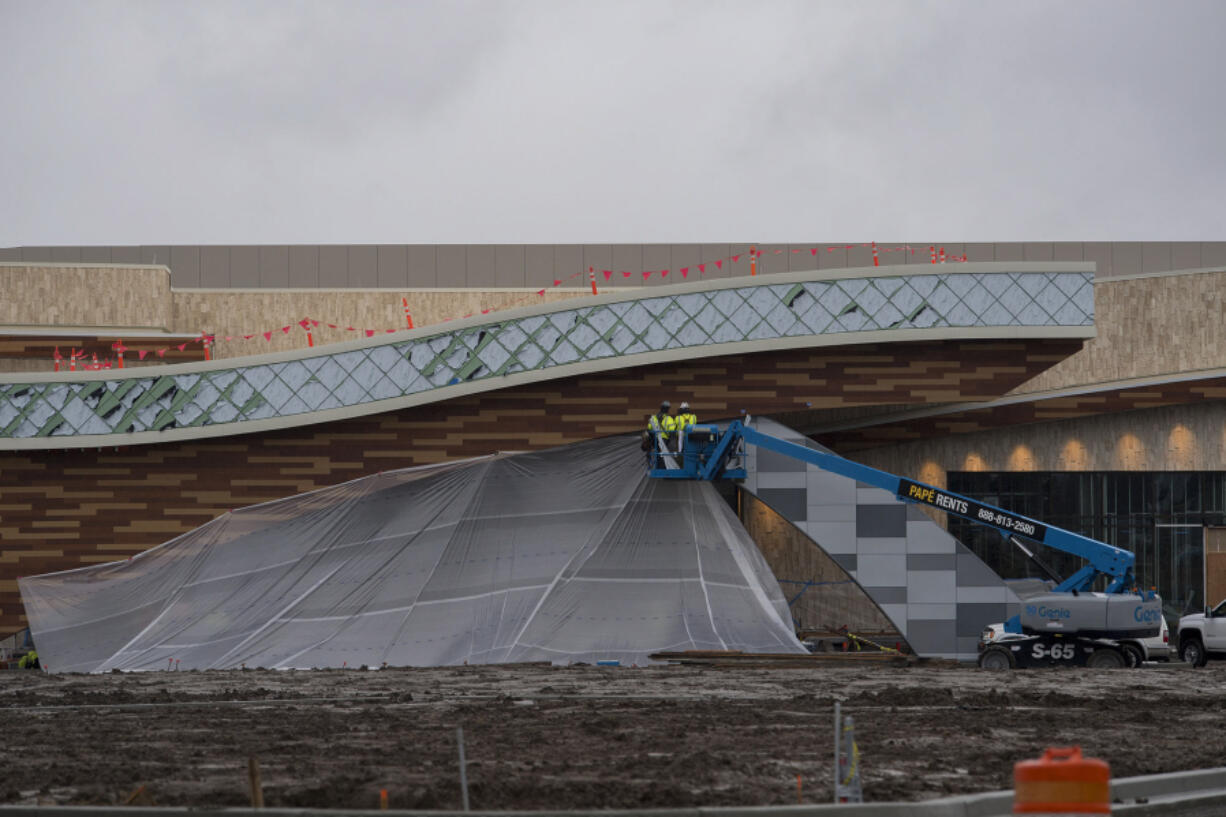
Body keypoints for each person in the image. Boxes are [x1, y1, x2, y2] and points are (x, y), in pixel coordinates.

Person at [646, 401, 676, 465]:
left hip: (655, 440)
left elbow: (649, 428)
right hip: (664, 440)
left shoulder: (653, 418)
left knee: (658, 453)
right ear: (668, 409)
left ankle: (654, 463)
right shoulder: (669, 419)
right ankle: (663, 465)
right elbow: (672, 430)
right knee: (663, 454)